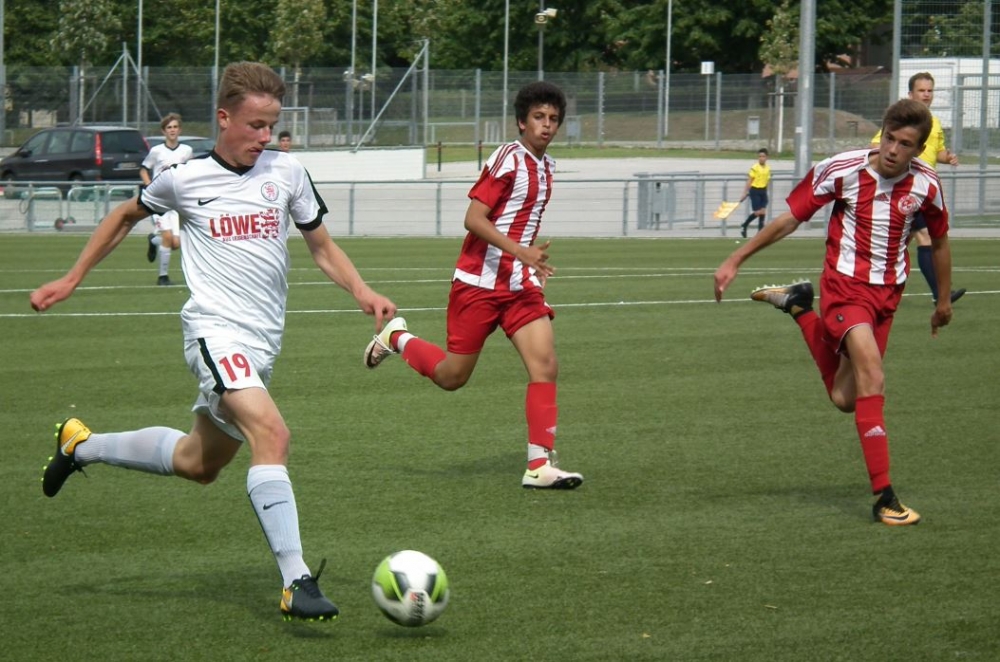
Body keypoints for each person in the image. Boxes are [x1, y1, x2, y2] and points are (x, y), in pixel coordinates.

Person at [30, 61, 397, 621]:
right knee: (272, 434)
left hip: (262, 345)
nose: (265, 137)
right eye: (255, 125)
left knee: (198, 463)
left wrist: (362, 290)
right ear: (224, 118)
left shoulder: (288, 172)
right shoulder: (186, 177)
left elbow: (321, 247)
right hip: (214, 332)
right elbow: (124, 216)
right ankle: (295, 580)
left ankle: (81, 445)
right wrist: (72, 278)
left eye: (271, 126)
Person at [713, 98, 955, 527]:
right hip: (845, 289)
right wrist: (736, 258)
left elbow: (939, 242)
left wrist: (942, 301)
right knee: (873, 375)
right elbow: (791, 218)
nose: (893, 150)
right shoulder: (842, 169)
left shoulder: (927, 185)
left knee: (846, 398)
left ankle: (799, 307)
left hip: (887, 297)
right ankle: (885, 497)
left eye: (904, 144)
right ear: (881, 133)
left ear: (919, 150)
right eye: (889, 138)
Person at [363, 81, 583, 491]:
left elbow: (517, 221)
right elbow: (473, 219)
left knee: (546, 365)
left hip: (519, 287)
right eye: (538, 117)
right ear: (521, 122)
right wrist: (520, 251)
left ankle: (539, 465)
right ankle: (397, 338)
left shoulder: (547, 167)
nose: (547, 125)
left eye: (554, 119)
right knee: (452, 376)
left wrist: (528, 261)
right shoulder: (508, 158)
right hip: (477, 285)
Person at [871, 71, 965, 305]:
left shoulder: (934, 123)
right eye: (921, 90)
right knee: (926, 237)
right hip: (906, 189)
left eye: (930, 90)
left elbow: (937, 151)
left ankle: (876, 283)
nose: (926, 94)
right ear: (910, 94)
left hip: (924, 191)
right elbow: (877, 145)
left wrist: (947, 157)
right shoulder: (902, 123)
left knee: (898, 244)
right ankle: (940, 295)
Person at [141, 113, 194, 286]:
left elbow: (191, 170)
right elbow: (143, 169)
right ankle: (162, 277)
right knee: (167, 237)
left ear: (180, 130)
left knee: (175, 243)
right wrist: (149, 186)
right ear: (164, 131)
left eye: (175, 127)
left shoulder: (186, 151)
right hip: (160, 202)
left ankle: (153, 241)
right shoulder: (157, 151)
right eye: (169, 127)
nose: (172, 130)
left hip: (177, 202)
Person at [738, 148, 770, 238]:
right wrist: (745, 192)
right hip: (755, 190)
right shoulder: (755, 168)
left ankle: (760, 233)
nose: (761, 158)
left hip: (763, 191)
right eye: (760, 156)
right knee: (757, 212)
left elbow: (767, 180)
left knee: (763, 211)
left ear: (767, 157)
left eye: (763, 156)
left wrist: (766, 191)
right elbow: (750, 180)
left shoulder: (768, 168)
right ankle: (744, 225)